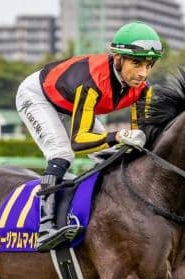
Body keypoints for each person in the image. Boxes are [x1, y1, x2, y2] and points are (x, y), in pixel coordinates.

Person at [15, 21, 163, 252]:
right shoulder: (92, 81)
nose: (143, 73)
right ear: (118, 58)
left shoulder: (143, 89)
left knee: (113, 154)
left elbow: (141, 135)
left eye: (148, 65)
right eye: (136, 63)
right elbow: (79, 142)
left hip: (69, 102)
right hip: (38, 96)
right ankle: (45, 226)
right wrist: (119, 135)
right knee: (62, 154)